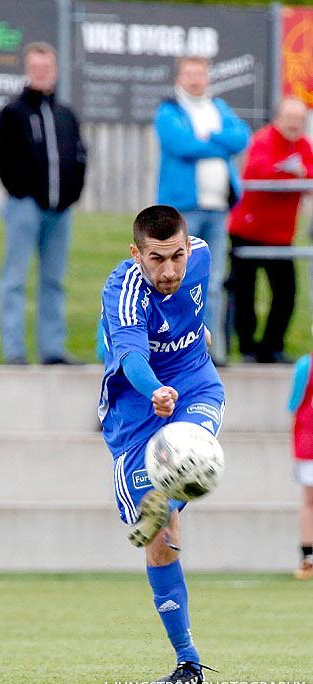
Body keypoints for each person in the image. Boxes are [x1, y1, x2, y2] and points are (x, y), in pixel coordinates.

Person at [99, 205, 225, 684]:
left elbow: (193, 307)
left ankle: (165, 497)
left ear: (188, 246)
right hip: (135, 413)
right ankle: (187, 662)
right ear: (136, 254)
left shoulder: (202, 256)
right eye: (156, 259)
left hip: (196, 391)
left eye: (176, 255)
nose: (169, 270)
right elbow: (130, 354)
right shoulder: (123, 290)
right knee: (159, 540)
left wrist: (202, 333)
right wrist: (154, 389)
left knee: (185, 453)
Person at [0, 41, 87, 366]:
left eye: (46, 68)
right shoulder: (12, 113)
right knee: (14, 279)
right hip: (24, 207)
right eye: (35, 68)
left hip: (60, 212)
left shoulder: (66, 115)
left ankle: (52, 350)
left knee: (53, 281)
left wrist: (72, 194)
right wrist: (21, 191)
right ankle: (15, 351)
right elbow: (0, 158)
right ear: (28, 70)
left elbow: (79, 156)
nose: (41, 73)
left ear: (55, 71)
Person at [155, 56, 250, 365]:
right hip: (184, 210)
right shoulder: (168, 111)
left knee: (213, 280)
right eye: (189, 73)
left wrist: (211, 137)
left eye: (200, 73)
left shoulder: (218, 109)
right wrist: (219, 143)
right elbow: (181, 145)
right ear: (179, 77)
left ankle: (212, 350)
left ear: (208, 77)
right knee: (180, 279)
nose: (195, 79)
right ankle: (179, 349)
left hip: (218, 208)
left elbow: (242, 137)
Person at [228, 97, 313, 364]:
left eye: (299, 120)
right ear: (277, 118)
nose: (294, 124)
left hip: (281, 237)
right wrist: (292, 173)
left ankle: (271, 348)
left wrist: (298, 173)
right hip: (248, 230)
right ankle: (247, 349)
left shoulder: (303, 145)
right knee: (244, 293)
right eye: (289, 118)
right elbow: (258, 169)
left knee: (286, 293)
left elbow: (309, 171)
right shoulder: (263, 140)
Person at [287, 351, 313, 580]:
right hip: (309, 444)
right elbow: (296, 404)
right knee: (309, 499)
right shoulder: (305, 365)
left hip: (307, 442)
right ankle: (308, 556)